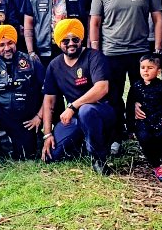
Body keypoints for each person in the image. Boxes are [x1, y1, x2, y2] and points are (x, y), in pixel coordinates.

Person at [90, 0, 162, 154]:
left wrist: (157, 50)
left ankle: (142, 133)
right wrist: (95, 51)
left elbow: (158, 19)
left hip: (140, 52)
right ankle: (116, 136)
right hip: (111, 53)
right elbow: (94, 23)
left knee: (142, 95)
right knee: (113, 97)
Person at [40, 19, 115, 174]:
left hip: (101, 111)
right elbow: (49, 101)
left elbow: (102, 88)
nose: (71, 43)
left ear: (81, 39)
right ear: (58, 42)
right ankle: (83, 143)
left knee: (86, 110)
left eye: (75, 39)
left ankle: (98, 159)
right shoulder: (54, 65)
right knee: (52, 156)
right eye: (65, 41)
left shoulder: (94, 57)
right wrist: (47, 134)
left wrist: (73, 106)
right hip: (74, 117)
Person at [0, 25, 45, 162]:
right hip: (0, 114)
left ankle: (32, 140)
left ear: (15, 42)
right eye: (1, 45)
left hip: (25, 118)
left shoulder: (32, 62)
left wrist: (39, 117)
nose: (7, 48)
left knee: (25, 156)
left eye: (10, 43)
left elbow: (48, 92)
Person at [130, 53, 162, 182]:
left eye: (150, 68)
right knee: (145, 139)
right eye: (143, 67)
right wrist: (130, 126)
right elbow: (130, 105)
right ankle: (157, 165)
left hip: (160, 120)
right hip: (143, 122)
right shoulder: (136, 86)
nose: (145, 70)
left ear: (158, 71)